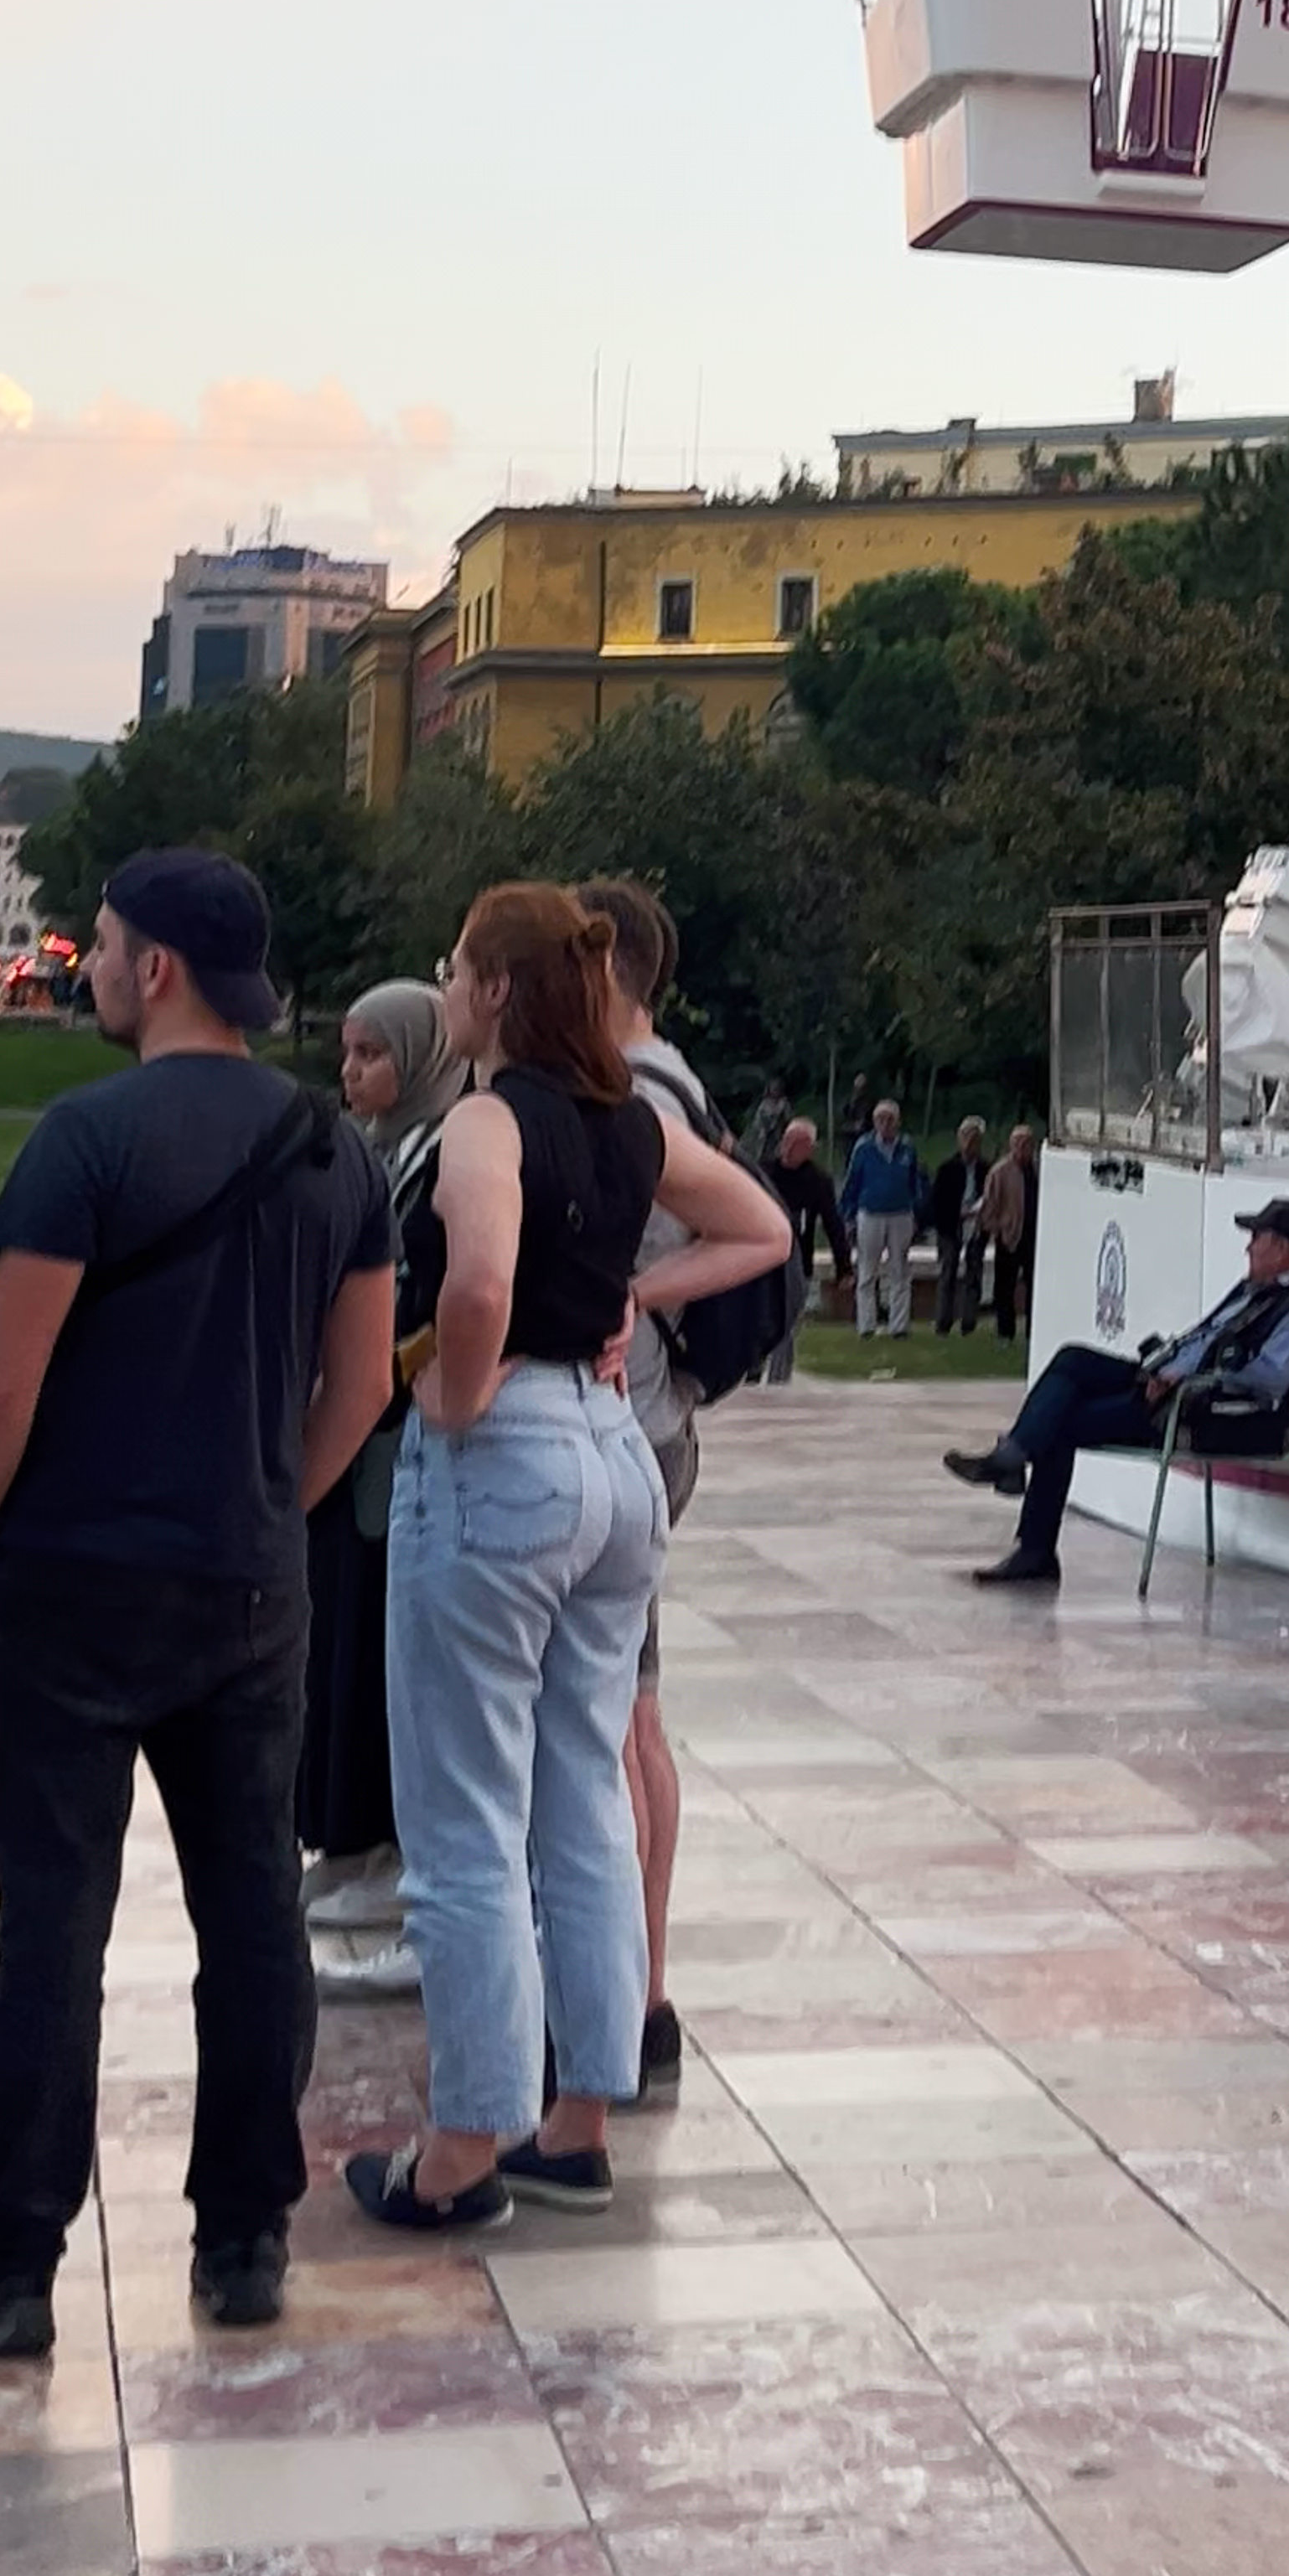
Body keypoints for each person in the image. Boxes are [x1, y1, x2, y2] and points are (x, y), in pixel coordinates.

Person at [0, 854, 395, 2362]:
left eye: (104, 946)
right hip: (247, 1587)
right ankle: (245, 2236)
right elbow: (361, 1383)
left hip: (71, 1587)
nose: (93, 966)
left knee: (53, 1919)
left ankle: (10, 2268)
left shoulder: (88, 1136)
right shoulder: (336, 1145)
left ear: (158, 966)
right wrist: (267, 1510)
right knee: (251, 1910)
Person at [344, 886, 789, 2235]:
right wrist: (636, 1303)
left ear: (488, 992)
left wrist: (458, 1400)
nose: (448, 984)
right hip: (613, 1458)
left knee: (465, 1817)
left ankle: (462, 2148)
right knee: (582, 1794)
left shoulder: (488, 1118)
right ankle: (577, 2119)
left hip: (511, 1452)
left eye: (455, 966)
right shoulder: (636, 1121)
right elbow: (763, 1226)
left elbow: (474, 1285)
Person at [576, 875, 717, 2098]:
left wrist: (627, 1299)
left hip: (627, 1418)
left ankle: (633, 1994)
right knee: (632, 1714)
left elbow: (742, 1229)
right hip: (650, 1422)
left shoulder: (637, 1090)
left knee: (622, 1721)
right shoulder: (669, 1078)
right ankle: (635, 1987)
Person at [301, 980, 468, 2003]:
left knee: (393, 1653)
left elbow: (447, 1301)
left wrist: (384, 1369)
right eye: (348, 1051)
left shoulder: (453, 1150)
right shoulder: (387, 1148)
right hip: (362, 1427)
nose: (354, 1071)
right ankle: (360, 1841)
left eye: (372, 1053)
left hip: (398, 1430)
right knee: (352, 1645)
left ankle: (409, 1862)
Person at [948, 1193, 1289, 1593]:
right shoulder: (1253, 1290)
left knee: (1059, 1425)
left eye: (1257, 1238)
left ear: (1283, 1248)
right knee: (1072, 1360)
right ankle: (1013, 1460)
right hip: (1170, 1383)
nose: (1248, 1247)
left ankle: (1031, 1536)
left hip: (1200, 1408)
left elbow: (1273, 1378)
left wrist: (1184, 1380)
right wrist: (1165, 1368)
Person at [838, 1098, 923, 1337]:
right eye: (881, 1119)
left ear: (898, 1122)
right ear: (874, 1122)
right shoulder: (863, 1148)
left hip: (901, 1213)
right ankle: (866, 1325)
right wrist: (848, 1215)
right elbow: (852, 1182)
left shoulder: (907, 1147)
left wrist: (916, 1210)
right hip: (870, 1214)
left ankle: (899, 1326)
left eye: (890, 1120)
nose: (886, 1124)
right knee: (867, 1272)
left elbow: (915, 1181)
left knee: (900, 1271)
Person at [928, 1115, 991, 1332]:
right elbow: (937, 1202)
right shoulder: (947, 1168)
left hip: (977, 1225)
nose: (970, 1144)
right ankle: (943, 1322)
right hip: (951, 1227)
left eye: (975, 1140)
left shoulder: (986, 1169)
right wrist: (958, 1213)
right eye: (966, 1138)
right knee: (948, 1273)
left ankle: (969, 1322)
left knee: (974, 1273)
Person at [980, 1120, 1039, 1344]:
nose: (1023, 1148)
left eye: (1027, 1144)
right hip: (1010, 1236)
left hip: (1033, 1237)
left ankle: (1033, 1332)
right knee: (1004, 1287)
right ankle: (1005, 1332)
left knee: (1034, 1286)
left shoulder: (1038, 1169)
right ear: (1011, 1145)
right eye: (1019, 1144)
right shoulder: (1000, 1172)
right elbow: (989, 1206)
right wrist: (998, 1227)